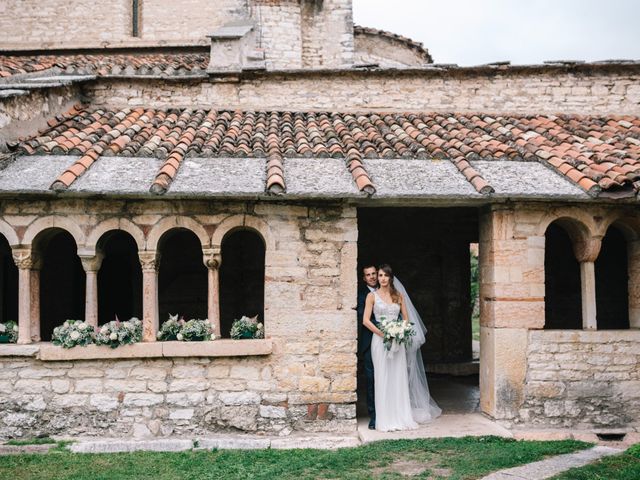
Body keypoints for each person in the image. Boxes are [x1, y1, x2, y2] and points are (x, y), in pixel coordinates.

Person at [362, 264, 442, 431]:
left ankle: (401, 416)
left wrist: (399, 332)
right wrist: (384, 334)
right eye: (380, 276)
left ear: (391, 278)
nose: (382, 279)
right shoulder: (372, 297)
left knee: (398, 378)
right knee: (382, 378)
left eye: (385, 276)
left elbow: (405, 318)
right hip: (380, 341)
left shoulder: (398, 296)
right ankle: (384, 419)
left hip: (397, 342)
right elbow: (366, 320)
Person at [356, 264, 378, 429]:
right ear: (364, 278)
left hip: (389, 342)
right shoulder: (362, 295)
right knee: (371, 380)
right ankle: (373, 415)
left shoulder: (387, 291)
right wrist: (385, 327)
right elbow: (363, 316)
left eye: (374, 273)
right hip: (370, 342)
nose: (371, 277)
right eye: (368, 275)